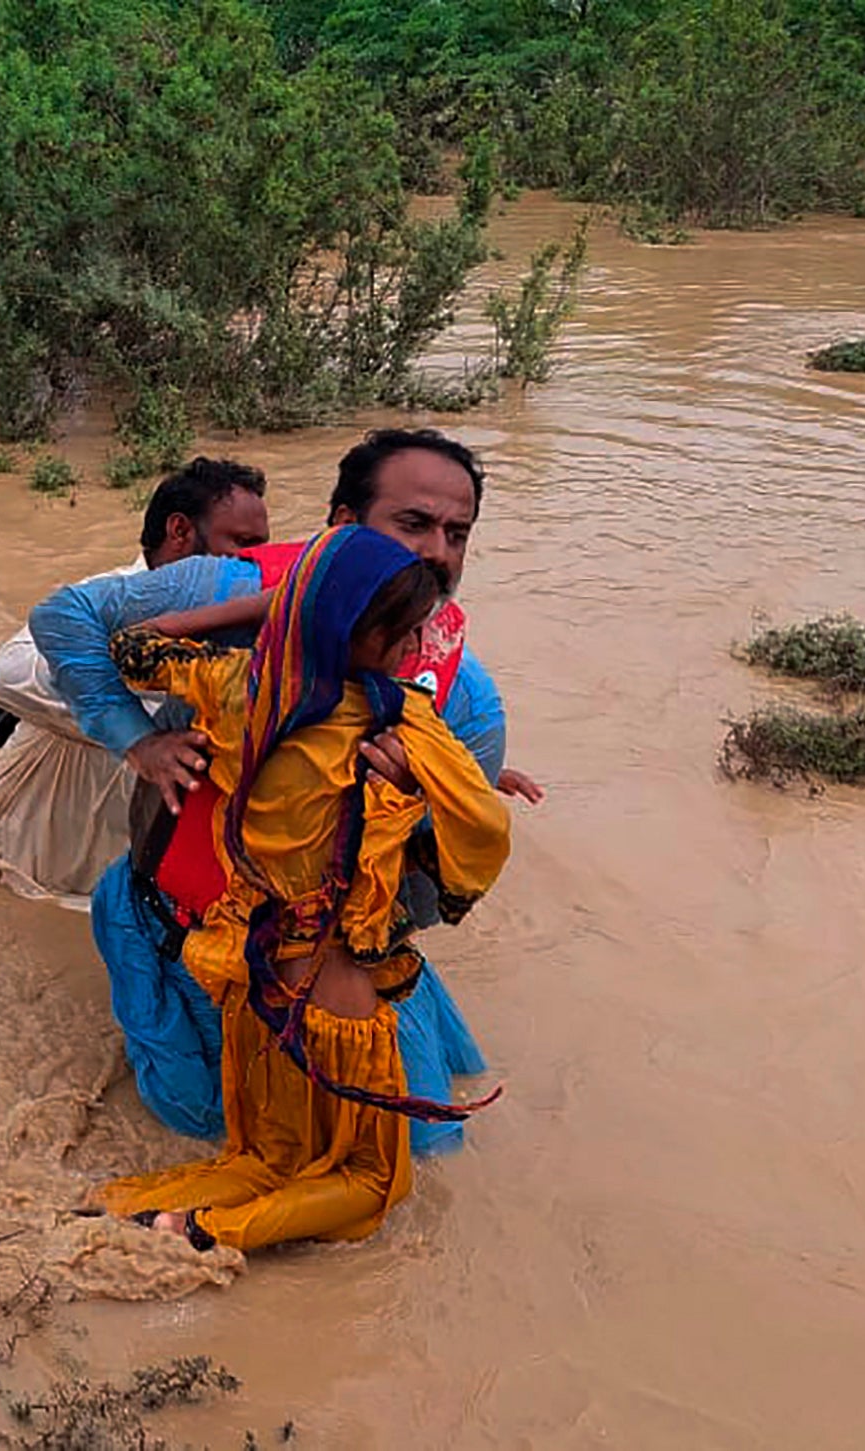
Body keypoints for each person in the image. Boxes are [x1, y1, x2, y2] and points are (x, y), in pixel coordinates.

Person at [31, 428, 537, 1154]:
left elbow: (436, 897)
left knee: (424, 1150)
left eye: (457, 534)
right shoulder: (223, 588)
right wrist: (134, 739)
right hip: (179, 919)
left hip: (329, 960)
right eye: (412, 523)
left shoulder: (465, 704)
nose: (436, 554)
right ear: (339, 525)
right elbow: (63, 618)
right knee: (196, 1120)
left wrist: (402, 812)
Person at [85, 526, 511, 1255]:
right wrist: (419, 815)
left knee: (267, 1155)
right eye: (403, 634)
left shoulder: (236, 689)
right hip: (334, 994)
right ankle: (197, 1230)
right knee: (377, 1182)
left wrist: (279, 607)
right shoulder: (396, 721)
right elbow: (484, 833)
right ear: (359, 633)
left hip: (253, 981)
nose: (414, 652)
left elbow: (134, 644)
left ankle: (119, 1209)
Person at [0, 459, 270, 906]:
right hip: (31, 848)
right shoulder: (102, 601)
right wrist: (136, 730)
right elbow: (6, 676)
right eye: (242, 544)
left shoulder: (249, 617)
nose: (255, 561)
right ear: (180, 531)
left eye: (262, 546)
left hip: (142, 865)